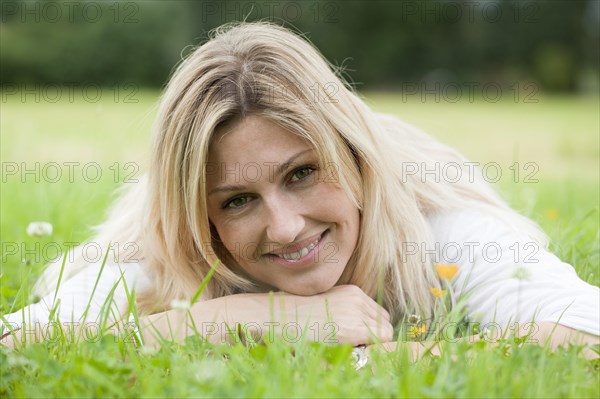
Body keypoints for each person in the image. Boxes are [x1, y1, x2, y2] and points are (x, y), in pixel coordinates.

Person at [2, 22, 598, 359]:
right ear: (199, 220)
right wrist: (244, 316)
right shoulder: (161, 245)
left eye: (302, 173)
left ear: (357, 160)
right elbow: (17, 342)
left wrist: (378, 359)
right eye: (236, 201)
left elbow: (585, 331)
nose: (285, 227)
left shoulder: (436, 226)